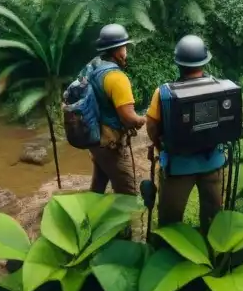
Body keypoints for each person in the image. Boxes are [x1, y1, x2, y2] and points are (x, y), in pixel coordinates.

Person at [145, 35, 226, 231]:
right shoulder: (219, 87)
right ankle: (212, 253)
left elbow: (151, 126)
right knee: (214, 218)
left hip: (177, 167)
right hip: (212, 162)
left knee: (170, 222)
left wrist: (160, 146)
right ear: (205, 62)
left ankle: (170, 254)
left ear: (179, 64)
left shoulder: (163, 93)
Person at [87, 23, 145, 195]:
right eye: (124, 46)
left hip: (94, 138)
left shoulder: (94, 65)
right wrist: (146, 119)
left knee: (99, 183)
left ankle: (89, 217)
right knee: (127, 192)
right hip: (110, 144)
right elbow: (129, 119)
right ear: (118, 50)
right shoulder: (117, 78)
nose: (126, 51)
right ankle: (124, 223)